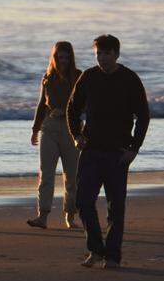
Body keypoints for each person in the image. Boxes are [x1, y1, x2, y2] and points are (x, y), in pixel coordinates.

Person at [67, 34, 150, 269]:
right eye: (98, 54)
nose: (101, 58)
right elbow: (72, 109)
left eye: (106, 54)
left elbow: (143, 116)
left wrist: (135, 148)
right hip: (91, 150)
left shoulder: (129, 79)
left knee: (116, 207)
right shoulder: (89, 77)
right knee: (83, 202)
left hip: (118, 153)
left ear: (116, 54)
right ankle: (96, 249)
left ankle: (112, 256)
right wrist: (77, 135)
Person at [27, 41, 83, 230]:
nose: (64, 61)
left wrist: (73, 117)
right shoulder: (48, 77)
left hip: (72, 130)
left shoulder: (78, 76)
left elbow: (85, 104)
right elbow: (42, 104)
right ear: (54, 57)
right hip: (49, 128)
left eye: (67, 57)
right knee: (46, 174)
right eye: (60, 57)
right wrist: (35, 130)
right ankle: (42, 216)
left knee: (72, 176)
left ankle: (70, 216)